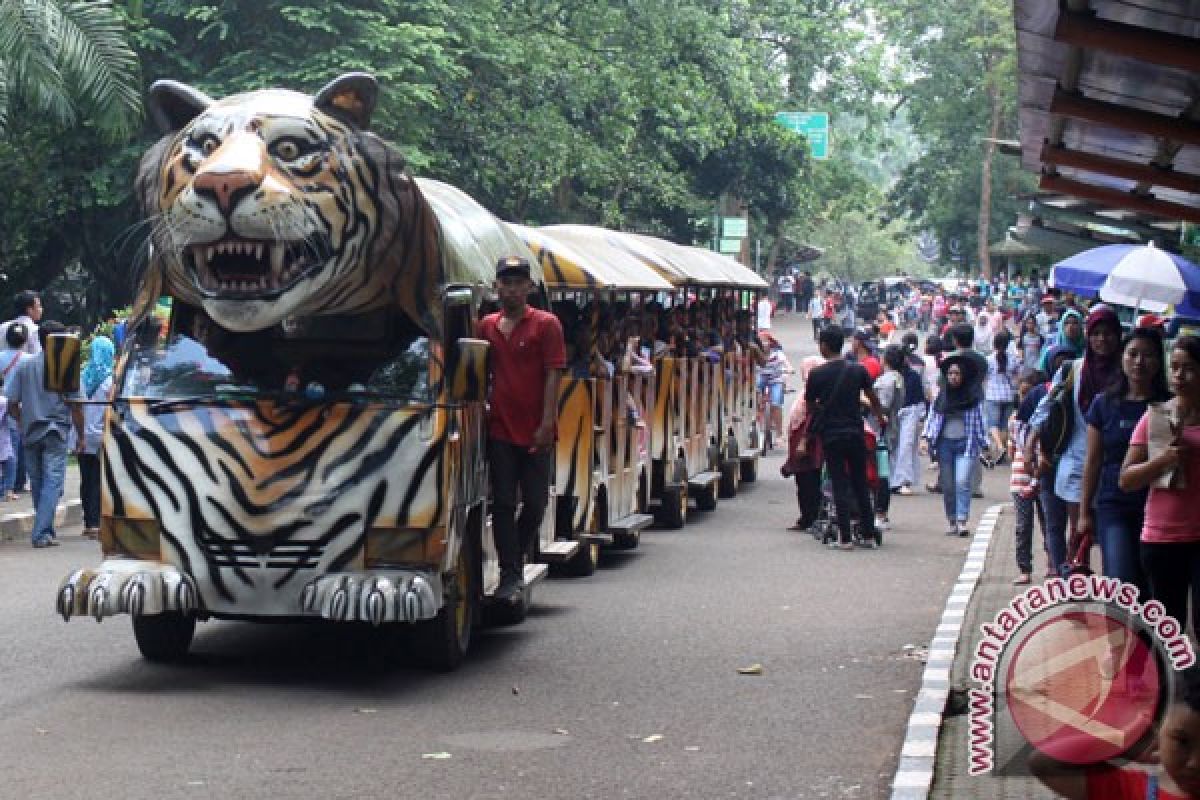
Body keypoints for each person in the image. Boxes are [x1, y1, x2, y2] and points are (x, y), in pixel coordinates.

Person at [476, 257, 566, 602]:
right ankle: (510, 573)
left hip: (535, 429)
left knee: (535, 503)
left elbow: (553, 374)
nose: (511, 289)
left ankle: (514, 551)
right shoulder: (486, 326)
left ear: (529, 287)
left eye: (518, 283)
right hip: (499, 427)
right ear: (496, 286)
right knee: (501, 501)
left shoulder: (546, 325)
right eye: (505, 282)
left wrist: (546, 423)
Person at [1031, 306, 1123, 578]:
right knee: (1078, 532)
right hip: (1076, 462)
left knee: (1112, 537)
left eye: (1108, 334)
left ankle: (1113, 590)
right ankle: (1076, 589)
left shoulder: (1127, 370)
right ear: (1088, 336)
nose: (1102, 340)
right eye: (1096, 333)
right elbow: (1045, 407)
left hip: (1115, 467)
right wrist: (1031, 444)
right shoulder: (1074, 369)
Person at [1120, 335, 1200, 636]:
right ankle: (1169, 683)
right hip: (1162, 538)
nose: (1179, 376)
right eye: (1175, 368)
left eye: (1189, 368)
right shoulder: (1155, 417)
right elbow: (1126, 479)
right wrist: (1163, 460)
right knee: (1170, 629)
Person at [1032, 664, 1200, 799]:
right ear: (1158, 729)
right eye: (1182, 742)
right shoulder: (1132, 790)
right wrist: (1122, 744)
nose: (1195, 763)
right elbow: (1045, 763)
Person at [5, 320, 84, 548]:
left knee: (39, 482)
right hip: (56, 431)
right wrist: (81, 436)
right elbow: (77, 407)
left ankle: (45, 530)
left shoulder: (25, 365)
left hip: (30, 432)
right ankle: (41, 533)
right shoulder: (66, 367)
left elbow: (11, 403)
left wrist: (21, 422)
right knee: (52, 483)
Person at [805, 326, 886, 550]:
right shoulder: (858, 371)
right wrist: (880, 417)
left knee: (839, 483)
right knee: (860, 482)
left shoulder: (817, 374)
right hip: (855, 432)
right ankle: (868, 535)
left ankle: (845, 537)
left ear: (824, 346)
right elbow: (872, 398)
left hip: (831, 435)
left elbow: (811, 406)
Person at [922, 354, 988, 536]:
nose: (953, 377)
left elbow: (981, 421)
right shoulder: (941, 397)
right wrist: (925, 438)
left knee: (962, 481)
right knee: (948, 486)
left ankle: (962, 520)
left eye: (957, 374)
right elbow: (932, 418)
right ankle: (952, 519)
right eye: (950, 373)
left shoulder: (973, 398)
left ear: (964, 376)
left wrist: (985, 443)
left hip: (966, 444)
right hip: (944, 446)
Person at [1008, 368, 1045, 584]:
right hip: (1021, 480)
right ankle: (1024, 568)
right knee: (1023, 526)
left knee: (1048, 523)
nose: (1025, 401)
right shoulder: (1014, 419)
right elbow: (1013, 449)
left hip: (1043, 477)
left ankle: (1053, 564)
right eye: (1022, 396)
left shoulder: (1048, 417)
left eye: (1029, 395)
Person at [78, 335, 115, 539]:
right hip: (102, 435)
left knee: (86, 479)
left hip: (82, 434)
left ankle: (88, 521)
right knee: (100, 480)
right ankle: (97, 522)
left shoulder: (82, 377)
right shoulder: (110, 380)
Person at [871, 346, 906, 531]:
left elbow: (882, 406)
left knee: (881, 474)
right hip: (889, 430)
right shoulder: (898, 378)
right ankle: (880, 512)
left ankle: (880, 513)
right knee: (883, 472)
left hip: (880, 432)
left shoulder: (887, 381)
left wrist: (865, 399)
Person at [0, 322, 28, 499]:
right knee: (19, 446)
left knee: (7, 447)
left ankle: (6, 484)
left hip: (3, 404)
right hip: (20, 406)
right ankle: (17, 483)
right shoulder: (29, 359)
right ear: (25, 339)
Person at [984, 330, 1018, 461]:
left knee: (992, 424)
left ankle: (1000, 447)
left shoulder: (989, 359)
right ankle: (1001, 453)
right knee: (1004, 425)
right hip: (1008, 394)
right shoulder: (1013, 359)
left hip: (993, 395)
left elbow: (985, 376)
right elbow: (1017, 375)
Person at [0, 290, 43, 356]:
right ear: (30, 310)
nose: (41, 309)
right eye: (39, 306)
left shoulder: (2, 327)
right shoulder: (35, 330)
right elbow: (37, 357)